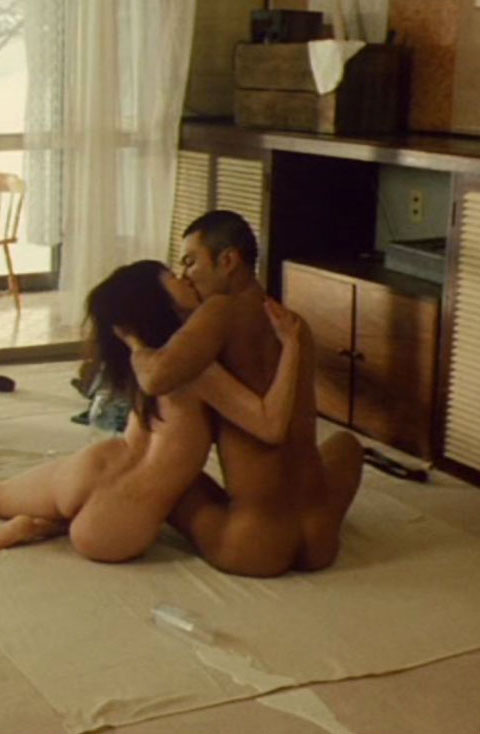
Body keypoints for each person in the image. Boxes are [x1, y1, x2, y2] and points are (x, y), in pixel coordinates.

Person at [0, 260, 301, 562]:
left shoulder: (142, 357)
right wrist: (294, 346)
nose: (185, 275)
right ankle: (50, 525)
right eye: (174, 275)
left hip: (97, 466)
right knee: (183, 497)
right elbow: (268, 423)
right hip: (116, 524)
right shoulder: (190, 368)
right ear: (155, 301)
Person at [118, 211, 363, 577]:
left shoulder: (219, 310)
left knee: (153, 471)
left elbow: (155, 378)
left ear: (228, 260)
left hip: (254, 545)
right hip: (320, 541)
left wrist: (134, 343)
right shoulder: (294, 324)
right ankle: (306, 519)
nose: (185, 275)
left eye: (191, 261)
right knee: (347, 445)